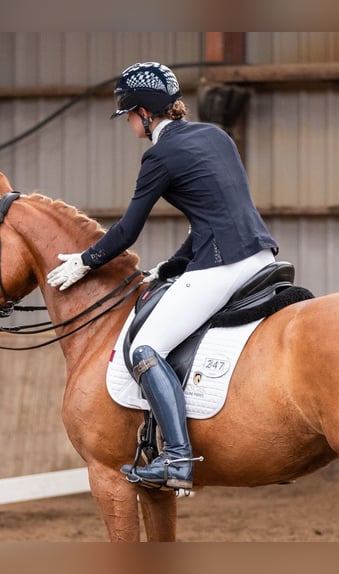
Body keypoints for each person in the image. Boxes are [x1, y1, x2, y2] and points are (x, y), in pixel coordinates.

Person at [46, 62, 278, 491]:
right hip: (260, 257)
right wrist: (170, 266)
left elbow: (127, 230)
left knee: (146, 347)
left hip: (221, 266)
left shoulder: (159, 155)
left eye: (130, 114)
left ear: (145, 113)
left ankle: (176, 458)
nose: (130, 123)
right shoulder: (215, 135)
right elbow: (214, 215)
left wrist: (86, 260)